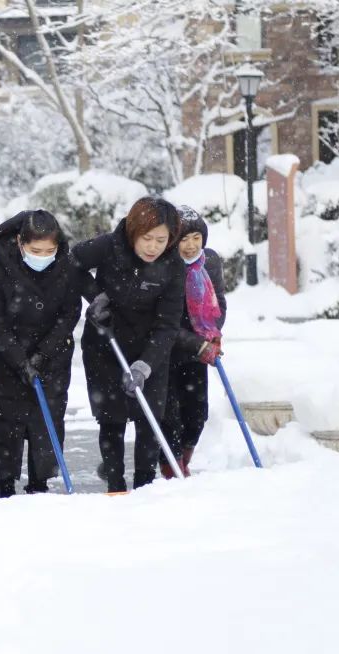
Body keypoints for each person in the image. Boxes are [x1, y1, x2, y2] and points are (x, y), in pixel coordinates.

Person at [73, 197, 185, 493]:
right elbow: (72, 262)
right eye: (146, 238)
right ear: (134, 232)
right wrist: (97, 297)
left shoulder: (173, 266)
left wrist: (145, 365)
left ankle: (145, 487)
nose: (153, 247)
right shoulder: (111, 245)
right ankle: (115, 484)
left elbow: (168, 325)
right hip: (104, 343)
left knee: (149, 418)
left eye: (161, 240)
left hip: (150, 349)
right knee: (112, 418)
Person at [0, 210, 81, 497]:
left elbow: (69, 315)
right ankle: (4, 485)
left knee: (45, 431)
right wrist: (19, 359)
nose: (43, 255)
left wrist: (43, 355)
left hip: (52, 361)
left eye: (50, 250)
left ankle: (40, 485)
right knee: (5, 431)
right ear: (19, 242)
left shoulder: (66, 267)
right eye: (36, 250)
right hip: (5, 362)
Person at [159, 206, 227, 477]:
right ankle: (172, 468)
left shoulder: (209, 263)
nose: (190, 246)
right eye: (183, 239)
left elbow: (218, 303)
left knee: (197, 414)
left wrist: (213, 333)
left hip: (198, 351)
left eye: (196, 238)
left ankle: (183, 460)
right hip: (166, 351)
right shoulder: (164, 267)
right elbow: (166, 321)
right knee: (170, 415)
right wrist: (194, 342)